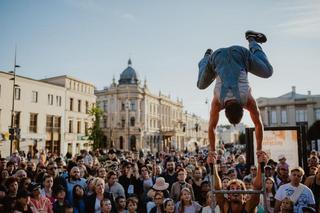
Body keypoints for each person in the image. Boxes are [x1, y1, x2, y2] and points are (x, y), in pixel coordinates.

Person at [197, 30, 273, 152]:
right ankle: (206, 57)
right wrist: (212, 151)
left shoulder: (247, 100)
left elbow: (259, 125)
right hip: (217, 56)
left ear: (243, 109)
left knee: (268, 71)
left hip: (239, 53)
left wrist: (259, 149)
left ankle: (252, 40)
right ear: (225, 112)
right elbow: (211, 128)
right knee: (200, 85)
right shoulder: (218, 102)